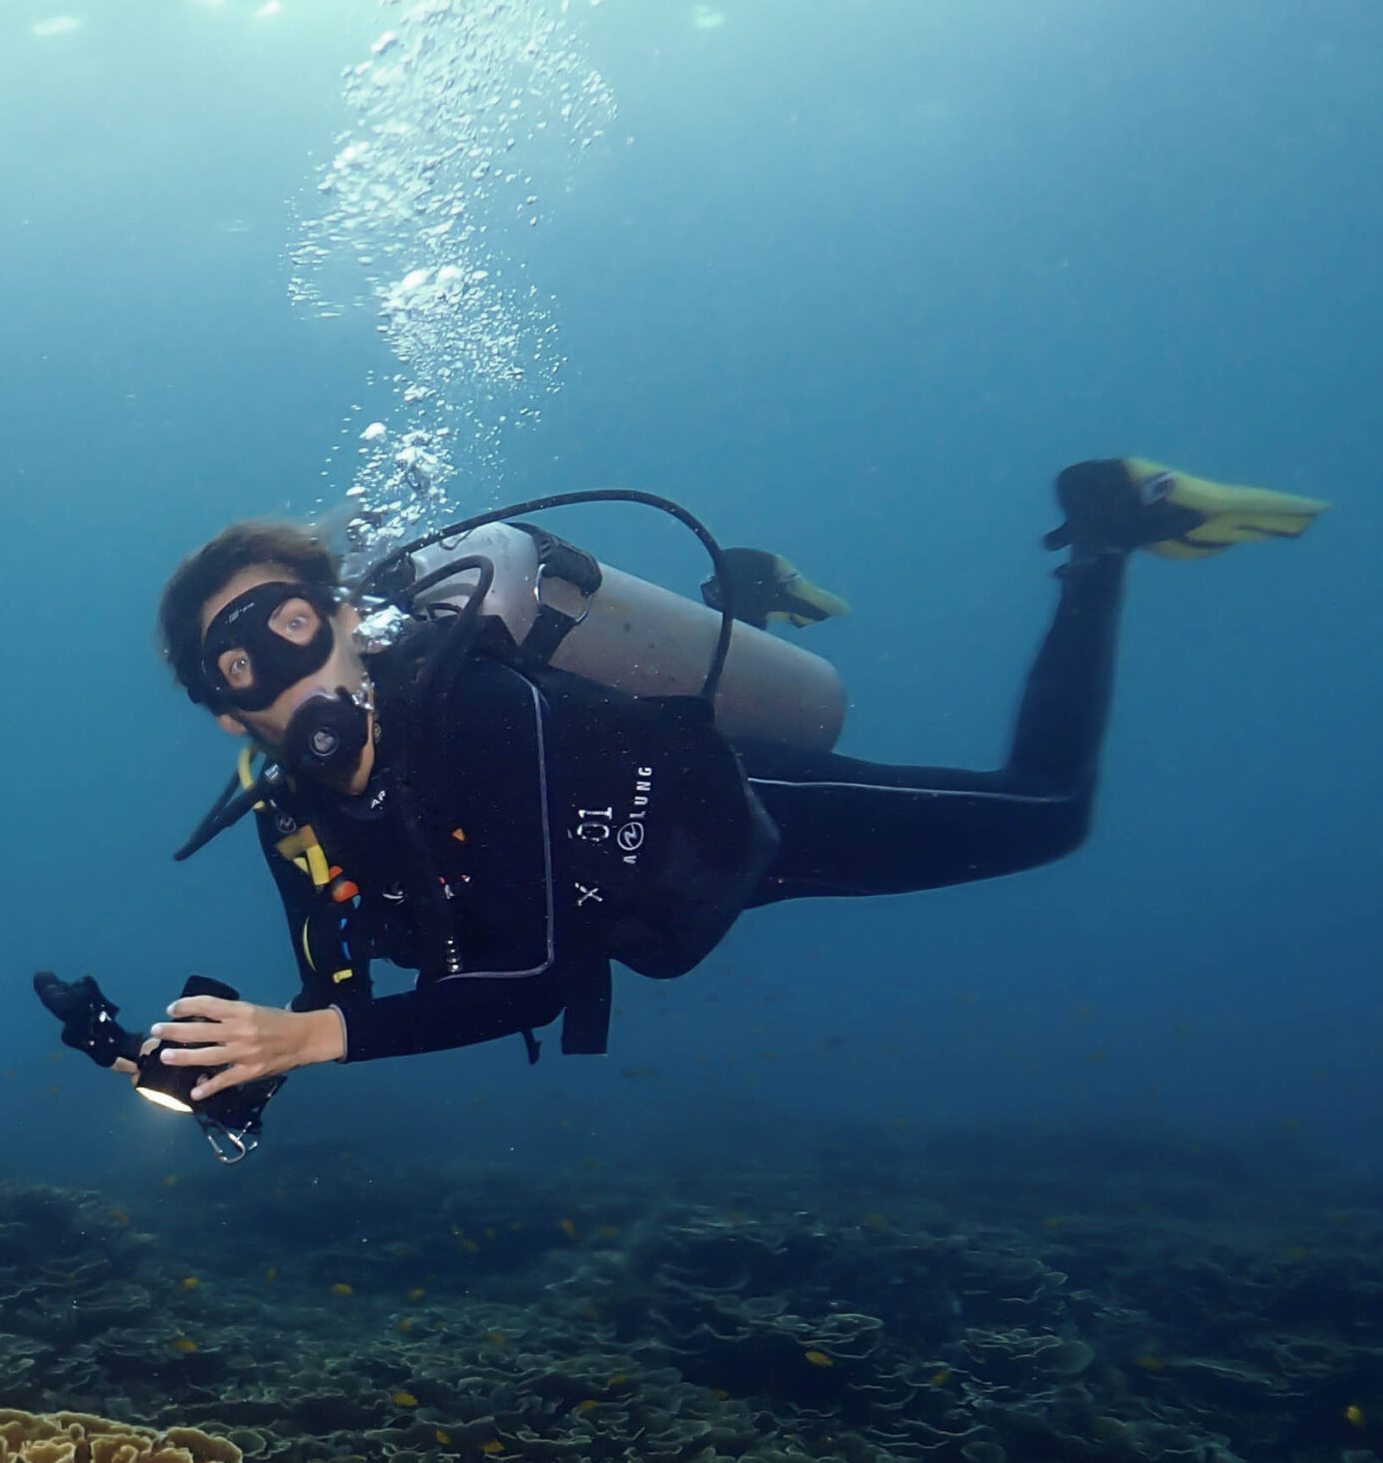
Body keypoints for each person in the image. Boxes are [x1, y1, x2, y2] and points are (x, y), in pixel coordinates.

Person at [140, 458, 1327, 1103]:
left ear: (349, 619)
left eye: (290, 623)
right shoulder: (293, 822)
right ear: (225, 708)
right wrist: (218, 1072)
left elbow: (531, 978)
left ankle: (1106, 527)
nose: (278, 675)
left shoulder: (475, 702)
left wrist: (307, 1042)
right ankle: (745, 601)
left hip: (741, 818)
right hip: (662, 894)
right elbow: (329, 998)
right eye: (236, 664)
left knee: (1050, 814)